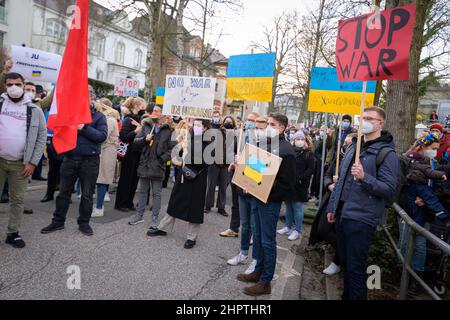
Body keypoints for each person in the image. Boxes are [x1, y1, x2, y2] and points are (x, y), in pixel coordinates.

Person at [326, 106, 399, 300]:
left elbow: (389, 189)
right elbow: (341, 181)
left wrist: (365, 177)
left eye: (369, 118)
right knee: (346, 266)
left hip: (362, 218)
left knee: (356, 268)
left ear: (380, 124)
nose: (364, 121)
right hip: (343, 213)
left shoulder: (387, 154)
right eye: (363, 117)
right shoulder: (354, 146)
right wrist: (333, 207)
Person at [237, 113, 296, 297]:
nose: (266, 126)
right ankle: (258, 271)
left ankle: (265, 281)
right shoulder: (265, 144)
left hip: (269, 202)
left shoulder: (286, 150)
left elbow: (287, 184)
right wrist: (249, 183)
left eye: (271, 124)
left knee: (268, 241)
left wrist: (264, 191)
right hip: (256, 197)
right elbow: (257, 171)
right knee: (260, 238)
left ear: (281, 128)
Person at [41, 85, 108, 236]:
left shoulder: (99, 116)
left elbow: (101, 137)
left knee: (86, 194)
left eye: (85, 95)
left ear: (92, 97)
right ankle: (58, 221)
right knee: (63, 192)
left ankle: (84, 223)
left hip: (90, 161)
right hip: (70, 159)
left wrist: (83, 127)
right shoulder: (70, 114)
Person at [0, 72, 47, 248]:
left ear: (23, 84)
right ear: (5, 85)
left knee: (17, 200)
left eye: (18, 84)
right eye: (10, 84)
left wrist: (33, 162)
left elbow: (42, 136)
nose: (14, 88)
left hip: (21, 164)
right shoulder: (0, 104)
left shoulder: (34, 109)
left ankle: (13, 233)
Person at [148, 119, 211, 249]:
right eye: (194, 125)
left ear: (205, 128)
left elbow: (205, 162)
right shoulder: (190, 137)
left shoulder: (209, 141)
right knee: (175, 201)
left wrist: (189, 152)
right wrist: (181, 149)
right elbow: (178, 157)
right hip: (184, 174)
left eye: (198, 125)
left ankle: (191, 237)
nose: (195, 127)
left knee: (194, 207)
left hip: (197, 178)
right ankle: (163, 227)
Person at [226, 113, 261, 274]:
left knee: (255, 225)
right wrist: (235, 163)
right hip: (241, 184)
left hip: (254, 188)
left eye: (254, 121)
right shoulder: (242, 136)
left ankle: (256, 260)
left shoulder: (263, 142)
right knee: (245, 224)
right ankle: (243, 253)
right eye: (249, 120)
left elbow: (264, 164)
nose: (250, 123)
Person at [128, 110, 174, 228]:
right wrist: (145, 139)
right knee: (142, 191)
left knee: (156, 193)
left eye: (158, 111)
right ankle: (139, 215)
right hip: (145, 163)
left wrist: (162, 159)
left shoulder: (168, 130)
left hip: (158, 166)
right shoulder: (146, 126)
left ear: (163, 114)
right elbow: (135, 142)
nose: (155, 112)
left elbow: (172, 149)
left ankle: (154, 218)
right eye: (154, 110)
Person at [277, 130, 315, 241]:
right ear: (293, 140)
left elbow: (311, 169)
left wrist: (300, 178)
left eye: (302, 139)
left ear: (305, 140)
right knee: (288, 205)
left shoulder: (308, 153)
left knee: (297, 207)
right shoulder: (291, 151)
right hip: (290, 184)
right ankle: (287, 226)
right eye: (297, 139)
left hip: (300, 185)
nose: (300, 141)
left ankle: (297, 230)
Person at [114, 97, 146, 212]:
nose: (144, 108)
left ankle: (129, 202)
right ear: (136, 106)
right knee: (126, 179)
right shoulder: (128, 120)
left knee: (134, 180)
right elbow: (123, 136)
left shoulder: (139, 119)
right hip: (129, 154)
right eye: (142, 105)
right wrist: (135, 131)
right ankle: (121, 203)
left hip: (137, 152)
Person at [92, 102, 120, 217]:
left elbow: (102, 137)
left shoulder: (109, 120)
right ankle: (99, 206)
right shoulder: (110, 119)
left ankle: (99, 208)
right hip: (106, 151)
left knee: (102, 179)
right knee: (102, 179)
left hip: (106, 152)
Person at [205, 111, 231, 216]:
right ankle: (208, 205)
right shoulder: (209, 129)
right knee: (211, 185)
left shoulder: (225, 130)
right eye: (214, 116)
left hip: (225, 163)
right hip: (213, 162)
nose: (216, 118)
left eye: (218, 116)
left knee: (223, 186)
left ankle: (221, 207)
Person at [218, 116, 240, 237]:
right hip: (223, 165)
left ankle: (251, 234)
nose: (228, 123)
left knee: (223, 186)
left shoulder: (239, 134)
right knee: (236, 203)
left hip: (233, 166)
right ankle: (233, 228)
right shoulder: (218, 132)